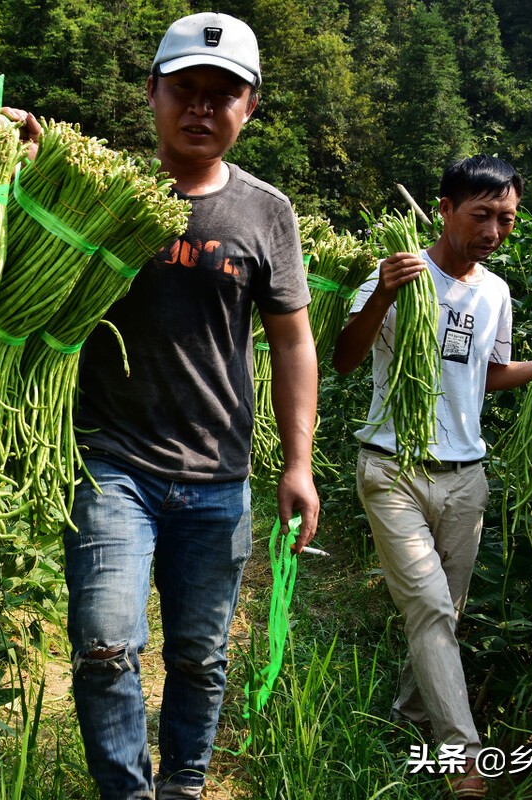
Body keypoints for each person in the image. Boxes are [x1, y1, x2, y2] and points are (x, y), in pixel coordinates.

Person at [63, 12, 320, 800]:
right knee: (106, 646)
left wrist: (300, 464)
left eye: (223, 94)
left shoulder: (266, 211)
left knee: (199, 656)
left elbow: (292, 342)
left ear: (251, 107)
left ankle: (184, 784)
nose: (201, 108)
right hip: (111, 462)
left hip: (217, 474)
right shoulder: (102, 190)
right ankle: (127, 792)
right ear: (152, 92)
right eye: (185, 90)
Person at [331, 155, 532, 798]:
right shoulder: (398, 273)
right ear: (446, 209)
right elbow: (343, 359)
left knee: (442, 614)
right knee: (428, 608)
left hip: (465, 475)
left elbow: (490, 374)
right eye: (482, 215)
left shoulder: (495, 292)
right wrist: (384, 294)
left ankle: (408, 717)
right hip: (393, 467)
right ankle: (463, 759)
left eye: (506, 219)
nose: (493, 231)